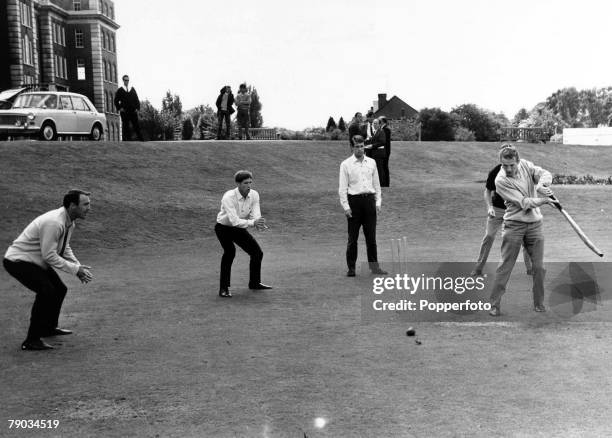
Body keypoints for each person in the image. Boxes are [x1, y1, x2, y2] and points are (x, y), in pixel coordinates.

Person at [3, 190, 93, 350]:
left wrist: (78, 266)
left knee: (59, 289)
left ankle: (48, 328)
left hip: (35, 262)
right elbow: (49, 255)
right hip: (17, 261)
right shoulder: (55, 222)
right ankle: (31, 340)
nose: (89, 208)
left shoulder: (69, 222)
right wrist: (75, 270)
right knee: (46, 291)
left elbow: (64, 248)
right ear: (72, 206)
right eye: (85, 204)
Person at [488, 144, 558, 316]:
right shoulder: (500, 180)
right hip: (514, 225)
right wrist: (544, 200)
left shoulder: (526, 165)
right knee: (505, 266)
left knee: (539, 268)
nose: (509, 169)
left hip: (535, 225)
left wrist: (542, 186)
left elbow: (545, 173)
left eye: (512, 165)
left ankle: (539, 304)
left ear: (518, 161)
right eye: (505, 165)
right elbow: (525, 203)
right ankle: (494, 305)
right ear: (501, 163)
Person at [215, 170, 272, 297]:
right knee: (230, 252)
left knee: (257, 253)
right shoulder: (228, 197)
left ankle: (255, 283)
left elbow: (256, 213)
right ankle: (223, 288)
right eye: (246, 183)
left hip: (238, 229)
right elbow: (234, 221)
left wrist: (259, 222)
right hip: (223, 228)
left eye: (250, 182)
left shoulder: (254, 195)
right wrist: (253, 223)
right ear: (238, 184)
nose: (249, 185)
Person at [470, 162, 533, 277]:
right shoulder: (496, 171)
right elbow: (487, 191)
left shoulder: (522, 171)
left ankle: (531, 269)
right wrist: (489, 207)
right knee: (489, 236)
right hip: (497, 209)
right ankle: (478, 268)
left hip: (515, 209)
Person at [339, 135, 387, 277]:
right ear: (352, 147)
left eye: (362, 146)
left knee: (371, 238)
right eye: (357, 147)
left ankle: (374, 267)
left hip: (369, 203)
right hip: (354, 203)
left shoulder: (371, 163)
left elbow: (377, 186)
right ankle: (351, 268)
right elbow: (342, 189)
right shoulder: (346, 164)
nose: (360, 149)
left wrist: (378, 203)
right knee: (352, 238)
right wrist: (346, 207)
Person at [114, 74, 144, 141]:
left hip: (133, 111)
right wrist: (120, 108)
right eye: (125, 80)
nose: (127, 81)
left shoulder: (132, 89)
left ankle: (141, 139)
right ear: (123, 81)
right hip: (124, 111)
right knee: (125, 126)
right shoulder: (120, 90)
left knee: (136, 126)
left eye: (128, 80)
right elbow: (116, 100)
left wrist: (137, 108)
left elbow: (136, 99)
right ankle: (126, 140)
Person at [364, 118, 387, 186]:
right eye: (373, 123)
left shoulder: (381, 132)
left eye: (376, 123)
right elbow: (373, 141)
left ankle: (380, 184)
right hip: (374, 154)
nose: (374, 124)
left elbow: (382, 142)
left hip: (379, 154)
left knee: (379, 169)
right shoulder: (375, 132)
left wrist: (372, 146)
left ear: (379, 124)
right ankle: (376, 183)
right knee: (375, 169)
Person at [379, 116, 391, 187]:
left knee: (385, 167)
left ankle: (386, 183)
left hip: (385, 151)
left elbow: (384, 141)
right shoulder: (383, 128)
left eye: (379, 121)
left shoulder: (386, 129)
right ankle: (384, 183)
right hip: (383, 151)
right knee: (383, 167)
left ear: (383, 121)